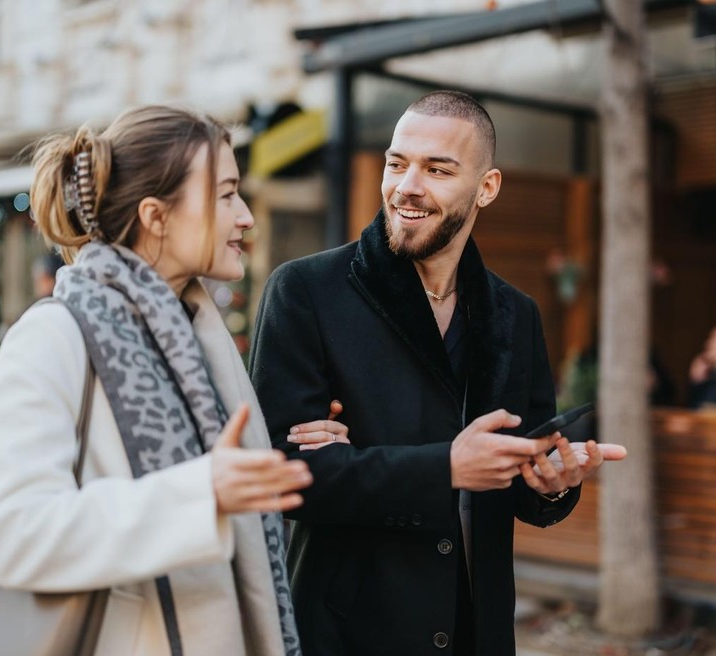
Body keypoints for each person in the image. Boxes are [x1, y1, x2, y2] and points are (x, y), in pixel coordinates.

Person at [250, 91, 625, 656]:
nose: (407, 186)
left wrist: (551, 486)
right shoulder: (303, 291)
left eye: (437, 169)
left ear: (487, 187)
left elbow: (524, 475)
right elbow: (281, 475)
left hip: (478, 633)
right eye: (397, 163)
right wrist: (446, 466)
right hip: (347, 636)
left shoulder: (515, 315)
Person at [0, 106, 325, 656]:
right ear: (156, 216)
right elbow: (13, 532)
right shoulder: (54, 336)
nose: (246, 217)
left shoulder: (197, 336)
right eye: (226, 194)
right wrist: (200, 494)